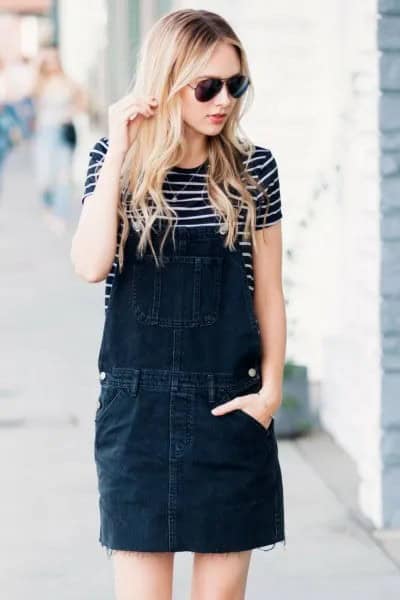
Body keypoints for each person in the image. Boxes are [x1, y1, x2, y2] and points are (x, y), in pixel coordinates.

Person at [71, 8, 286, 600]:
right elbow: (90, 265)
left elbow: (269, 290)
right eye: (207, 86)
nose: (224, 101)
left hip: (228, 405)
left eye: (235, 84)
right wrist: (118, 151)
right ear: (167, 84)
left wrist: (270, 394)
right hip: (136, 414)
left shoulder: (253, 169)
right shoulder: (116, 165)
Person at [32, 45, 85, 235]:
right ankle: (48, 206)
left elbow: (82, 102)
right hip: (45, 134)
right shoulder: (40, 83)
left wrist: (70, 113)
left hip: (63, 132)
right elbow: (29, 98)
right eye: (48, 60)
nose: (52, 63)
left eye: (54, 59)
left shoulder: (68, 82)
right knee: (45, 178)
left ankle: (59, 215)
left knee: (63, 177)